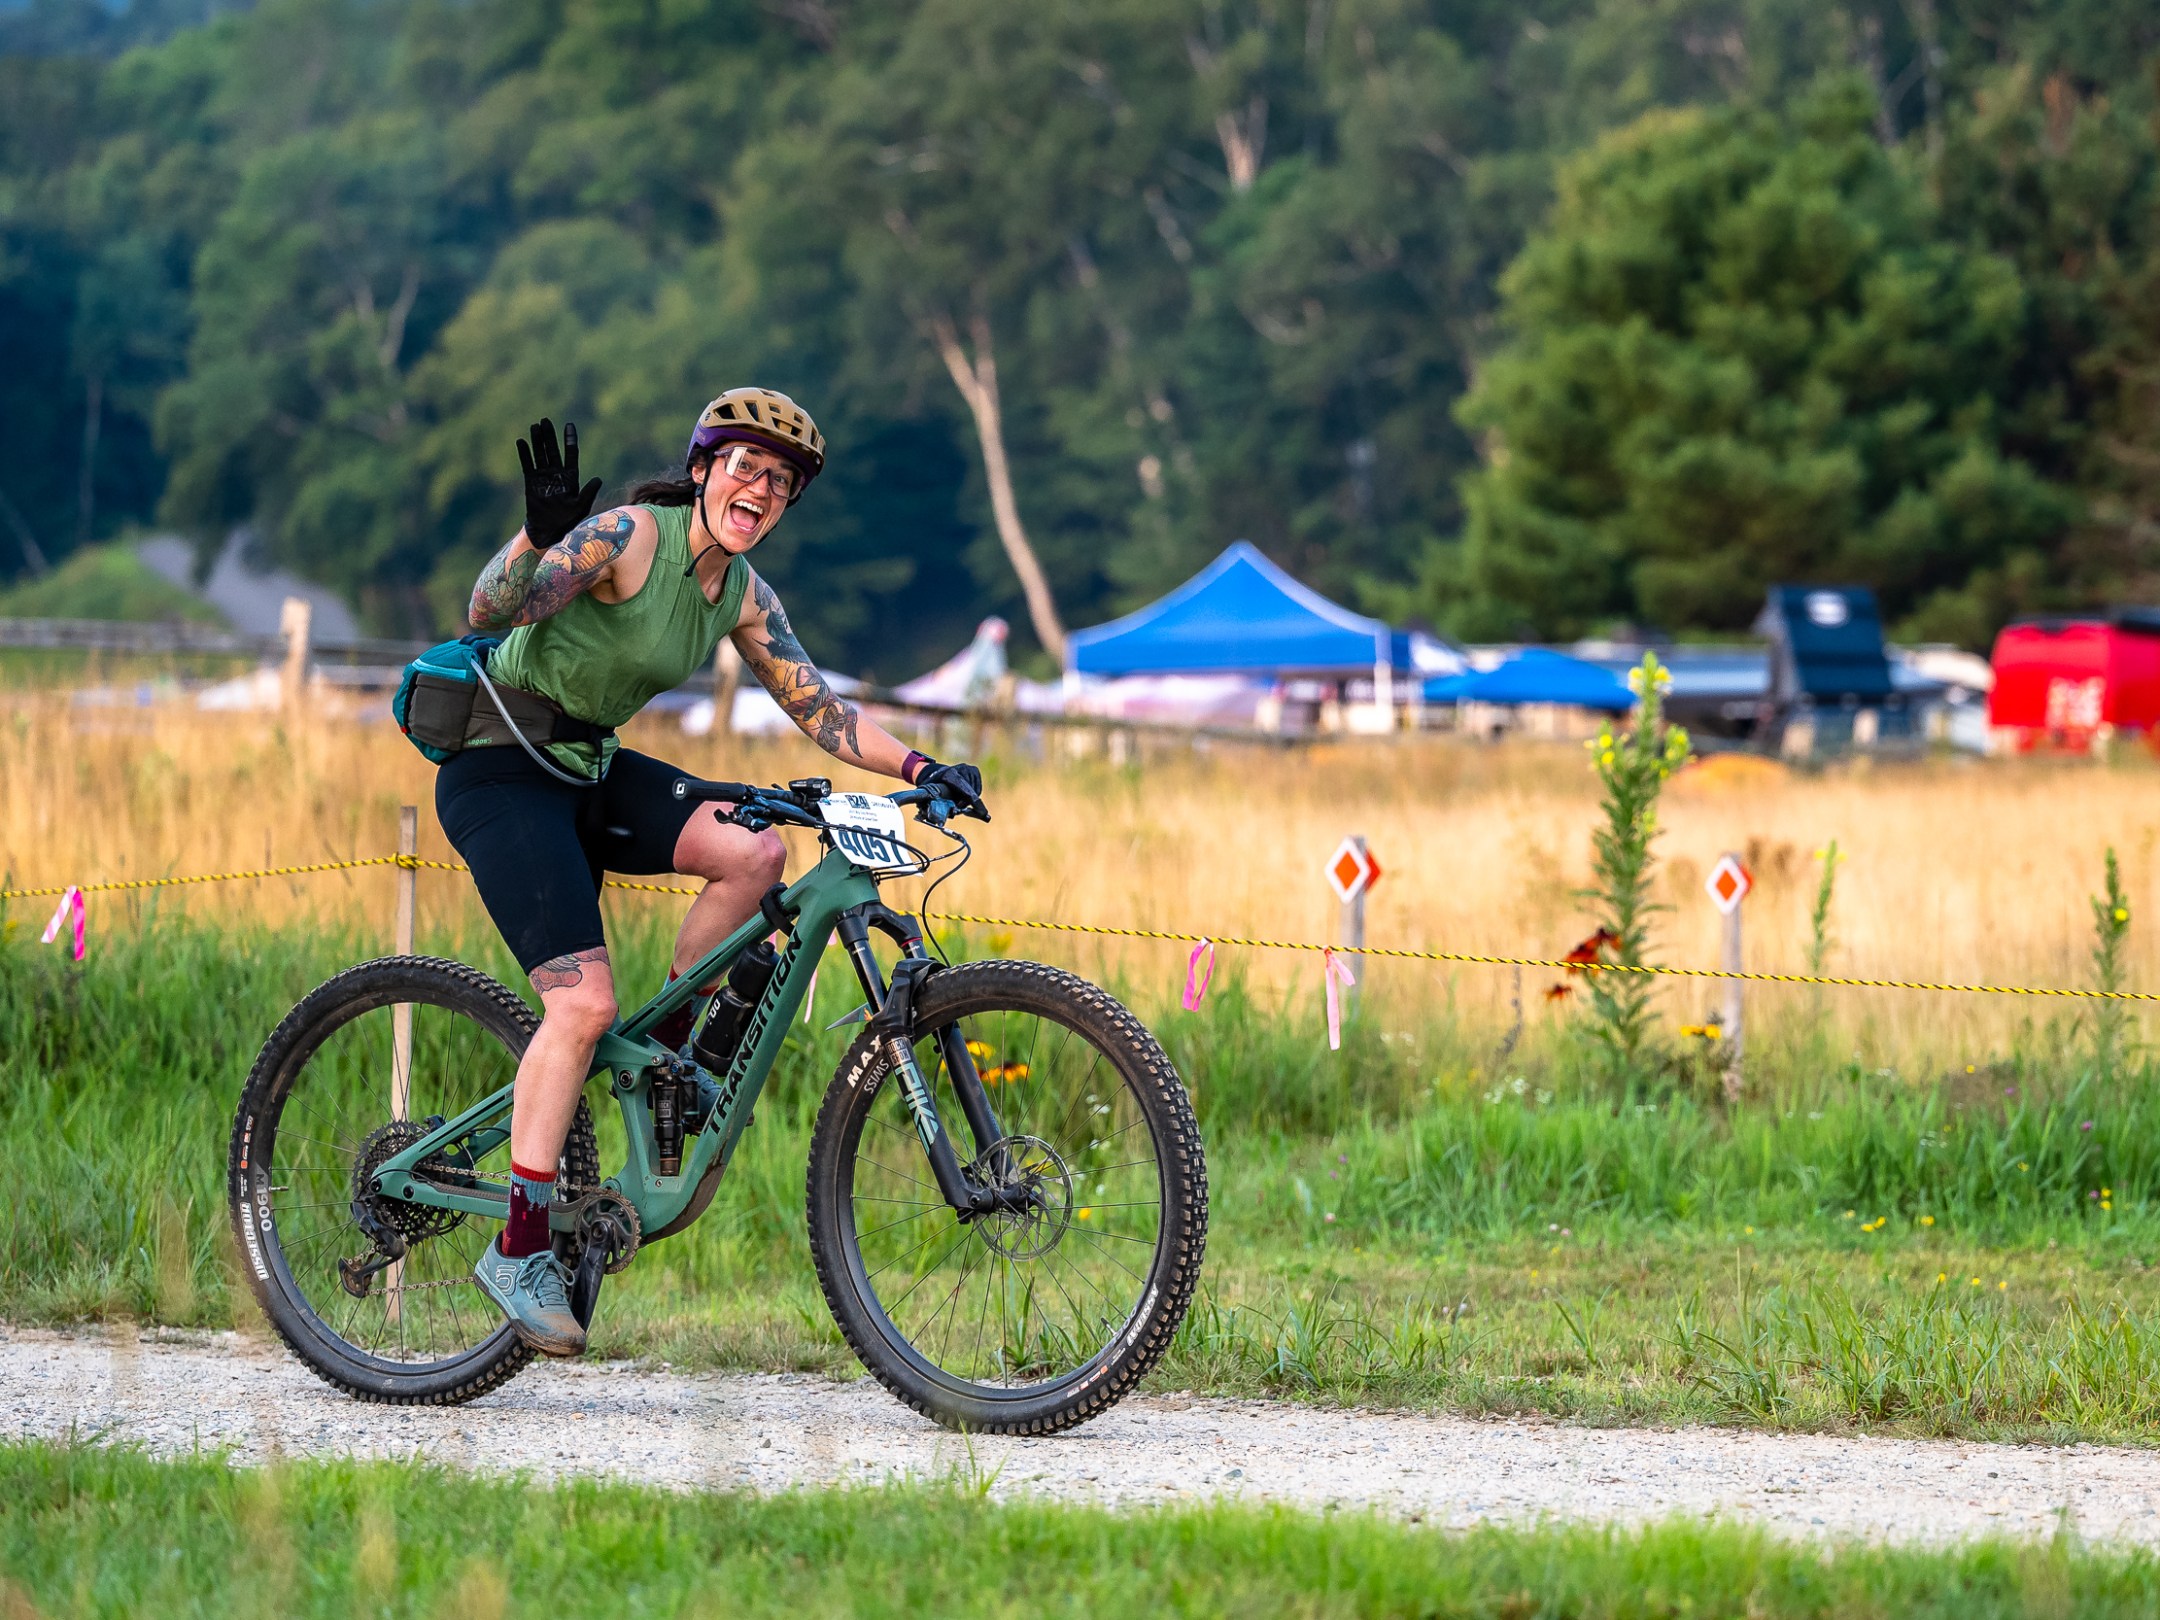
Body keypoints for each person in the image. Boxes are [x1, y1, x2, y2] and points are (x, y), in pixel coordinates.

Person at [438, 388, 986, 1357]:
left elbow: (821, 709)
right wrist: (536, 538)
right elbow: (490, 611)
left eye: (781, 483)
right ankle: (518, 1249)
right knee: (581, 1005)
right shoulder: (625, 537)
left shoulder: (742, 594)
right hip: (500, 766)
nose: (761, 490)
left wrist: (921, 767)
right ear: (702, 470)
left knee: (755, 850)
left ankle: (664, 1064)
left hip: (589, 766)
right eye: (744, 467)